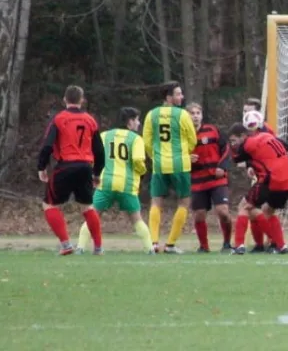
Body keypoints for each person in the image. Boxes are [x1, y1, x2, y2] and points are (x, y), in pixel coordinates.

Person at [75, 107, 154, 254]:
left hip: (105, 183)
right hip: (127, 185)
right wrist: (142, 171)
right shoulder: (136, 138)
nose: (139, 123)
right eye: (137, 120)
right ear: (130, 121)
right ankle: (150, 249)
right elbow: (137, 160)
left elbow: (93, 156)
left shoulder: (104, 135)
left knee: (93, 215)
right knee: (137, 219)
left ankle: (80, 247)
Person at [37, 85, 105, 255]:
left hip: (66, 166)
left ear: (65, 100)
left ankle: (66, 245)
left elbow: (47, 146)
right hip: (84, 168)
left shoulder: (59, 119)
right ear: (82, 100)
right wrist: (96, 173)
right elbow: (99, 151)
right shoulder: (90, 120)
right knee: (87, 207)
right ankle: (98, 247)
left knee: (48, 204)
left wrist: (41, 167)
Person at [143, 83, 197, 254]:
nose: (181, 97)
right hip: (180, 164)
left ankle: (153, 243)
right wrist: (184, 152)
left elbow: (147, 141)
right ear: (168, 97)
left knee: (156, 201)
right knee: (184, 202)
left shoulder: (152, 114)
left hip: (159, 165)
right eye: (178, 94)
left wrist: (155, 156)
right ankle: (171, 244)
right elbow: (192, 139)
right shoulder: (182, 115)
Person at [228, 123, 288, 254]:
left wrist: (246, 161)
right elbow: (287, 147)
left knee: (244, 206)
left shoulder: (249, 144)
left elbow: (236, 158)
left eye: (234, 140)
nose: (233, 144)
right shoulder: (267, 136)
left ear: (243, 135)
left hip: (271, 179)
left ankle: (239, 245)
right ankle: (280, 246)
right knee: (267, 210)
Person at [187, 103, 232, 253]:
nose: (195, 116)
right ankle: (204, 246)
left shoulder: (212, 130)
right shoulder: (183, 135)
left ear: (202, 115)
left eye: (198, 113)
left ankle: (227, 243)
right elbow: (177, 156)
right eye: (192, 113)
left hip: (216, 178)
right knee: (199, 215)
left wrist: (222, 166)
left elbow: (226, 149)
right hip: (198, 180)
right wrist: (186, 158)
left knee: (223, 212)